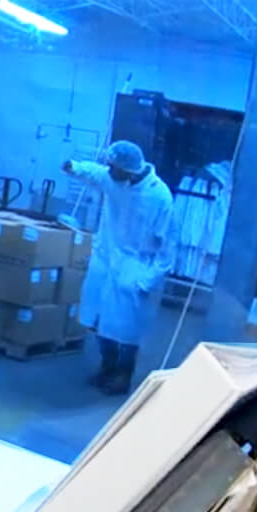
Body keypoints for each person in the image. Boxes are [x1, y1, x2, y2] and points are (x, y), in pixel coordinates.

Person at [64, 140, 173, 395]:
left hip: (135, 265)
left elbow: (167, 245)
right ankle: (107, 366)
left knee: (126, 327)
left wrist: (149, 279)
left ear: (129, 169)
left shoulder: (159, 196)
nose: (109, 170)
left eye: (114, 167)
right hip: (105, 257)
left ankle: (123, 374)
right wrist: (73, 167)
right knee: (99, 318)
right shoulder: (115, 180)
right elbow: (94, 172)